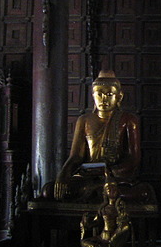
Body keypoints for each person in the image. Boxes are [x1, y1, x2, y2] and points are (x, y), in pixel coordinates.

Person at [49, 70, 152, 203]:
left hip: (115, 178)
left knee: (142, 192)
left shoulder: (128, 120)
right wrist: (63, 174)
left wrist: (108, 171)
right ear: (93, 96)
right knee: (49, 190)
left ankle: (97, 192)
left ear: (119, 97)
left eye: (109, 94)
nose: (104, 99)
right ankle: (95, 192)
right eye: (100, 94)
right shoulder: (84, 120)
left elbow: (133, 158)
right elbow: (76, 156)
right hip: (88, 177)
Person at [79, 174, 134, 247]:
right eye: (109, 189)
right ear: (105, 192)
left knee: (123, 229)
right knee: (85, 242)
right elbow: (96, 222)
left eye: (114, 189)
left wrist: (114, 237)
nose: (112, 191)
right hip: (102, 237)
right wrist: (86, 223)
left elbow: (124, 225)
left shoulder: (119, 207)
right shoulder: (103, 208)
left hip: (114, 237)